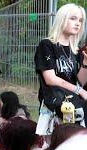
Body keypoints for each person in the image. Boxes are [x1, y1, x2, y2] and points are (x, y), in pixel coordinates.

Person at [34, 3, 87, 135]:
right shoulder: (47, 45)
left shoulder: (75, 50)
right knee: (53, 145)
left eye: (80, 20)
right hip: (54, 106)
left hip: (71, 107)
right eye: (73, 18)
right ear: (62, 19)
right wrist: (79, 90)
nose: (77, 23)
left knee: (70, 141)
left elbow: (80, 80)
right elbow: (50, 79)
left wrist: (85, 64)